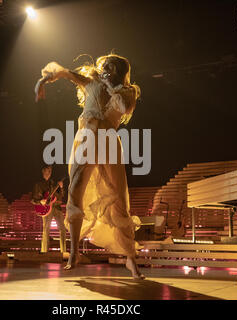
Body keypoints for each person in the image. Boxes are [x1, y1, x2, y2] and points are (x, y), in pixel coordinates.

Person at [34, 54, 145, 279]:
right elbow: (65, 73)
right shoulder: (91, 82)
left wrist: (110, 85)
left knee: (119, 201)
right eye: (103, 66)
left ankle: (130, 259)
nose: (103, 69)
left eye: (108, 67)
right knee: (75, 191)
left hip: (109, 142)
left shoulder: (128, 91)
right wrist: (42, 81)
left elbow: (123, 107)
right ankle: (74, 251)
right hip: (86, 138)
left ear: (117, 70)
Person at [31, 165, 67, 253]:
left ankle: (64, 251)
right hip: (46, 209)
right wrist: (40, 201)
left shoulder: (54, 184)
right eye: (46, 172)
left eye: (49, 172)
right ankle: (44, 251)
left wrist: (61, 188)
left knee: (62, 229)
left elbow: (62, 196)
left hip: (57, 207)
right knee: (46, 229)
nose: (48, 174)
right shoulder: (38, 185)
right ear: (43, 173)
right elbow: (33, 199)